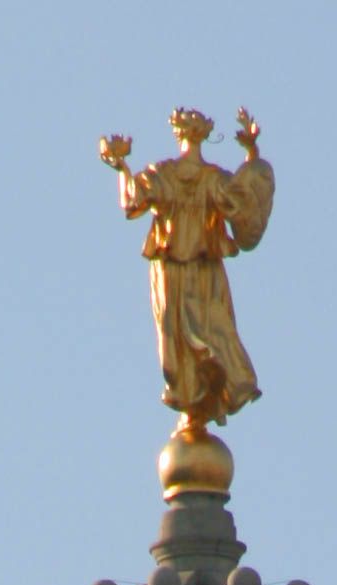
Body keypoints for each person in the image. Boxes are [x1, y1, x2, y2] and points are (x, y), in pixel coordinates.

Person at [99, 108, 274, 430]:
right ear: (204, 135)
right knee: (207, 327)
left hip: (174, 268)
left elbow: (132, 201)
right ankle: (201, 395)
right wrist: (252, 154)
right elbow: (245, 200)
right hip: (203, 269)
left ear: (178, 133)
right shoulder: (212, 178)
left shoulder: (163, 174)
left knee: (176, 332)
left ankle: (195, 393)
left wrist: (120, 165)